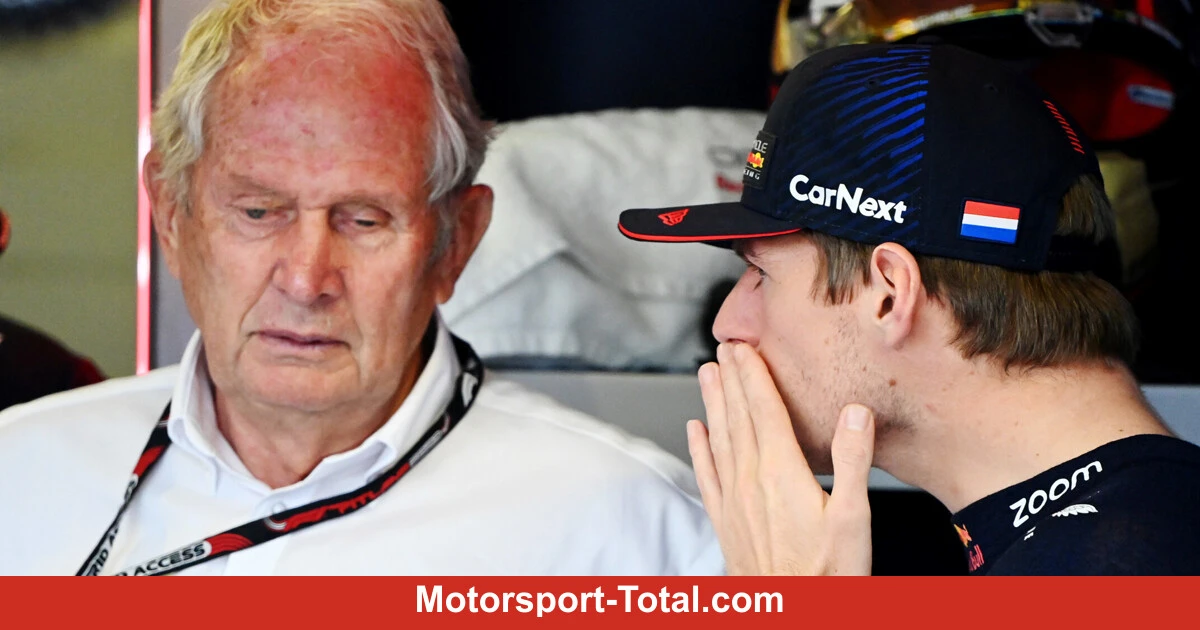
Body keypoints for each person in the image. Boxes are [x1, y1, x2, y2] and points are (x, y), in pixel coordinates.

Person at [0, 0, 721, 576]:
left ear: (456, 243)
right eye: (258, 212)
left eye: (365, 219)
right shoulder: (18, 476)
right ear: (170, 215)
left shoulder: (638, 532)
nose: (306, 278)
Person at [618, 41, 1200, 575]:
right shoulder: (1121, 531)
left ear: (890, 294)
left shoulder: (1112, 566)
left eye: (760, 274)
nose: (727, 325)